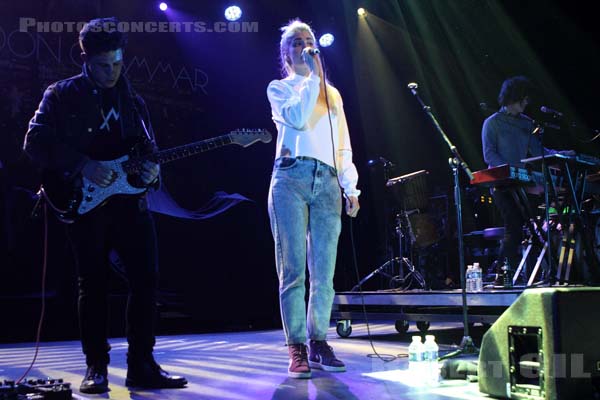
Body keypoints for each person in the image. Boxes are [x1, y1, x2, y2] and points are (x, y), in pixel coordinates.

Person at [23, 18, 187, 393]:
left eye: (117, 63)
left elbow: (149, 153)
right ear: (85, 57)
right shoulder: (62, 95)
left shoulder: (133, 100)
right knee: (92, 284)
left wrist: (151, 174)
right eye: (103, 65)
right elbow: (34, 142)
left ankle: (142, 365)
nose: (112, 72)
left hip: (131, 205)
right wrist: (82, 164)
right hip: (84, 204)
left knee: (146, 281)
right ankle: (95, 367)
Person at [266, 20, 360, 379]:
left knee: (324, 273)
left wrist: (350, 188)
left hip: (327, 180)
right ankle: (297, 346)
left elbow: (343, 144)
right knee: (292, 271)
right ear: (286, 53)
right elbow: (298, 119)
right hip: (290, 178)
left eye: (309, 41)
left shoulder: (332, 94)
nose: (305, 46)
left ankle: (319, 341)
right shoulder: (280, 88)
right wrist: (313, 79)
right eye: (296, 42)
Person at [481, 76, 569, 281]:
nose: (526, 103)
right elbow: (489, 155)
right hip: (502, 184)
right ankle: (504, 273)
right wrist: (509, 169)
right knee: (513, 225)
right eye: (524, 99)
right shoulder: (492, 123)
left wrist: (562, 155)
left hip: (523, 183)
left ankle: (527, 273)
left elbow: (540, 152)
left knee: (529, 228)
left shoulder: (527, 124)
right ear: (513, 97)